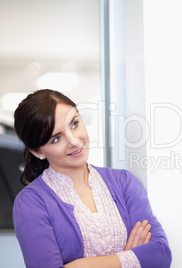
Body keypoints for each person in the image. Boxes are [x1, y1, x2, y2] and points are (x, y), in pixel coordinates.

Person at [12, 89, 171, 268]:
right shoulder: (31, 203)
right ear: (37, 152)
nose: (73, 141)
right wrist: (130, 258)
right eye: (56, 139)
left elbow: (161, 255)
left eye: (74, 124)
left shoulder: (123, 182)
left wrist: (83, 265)